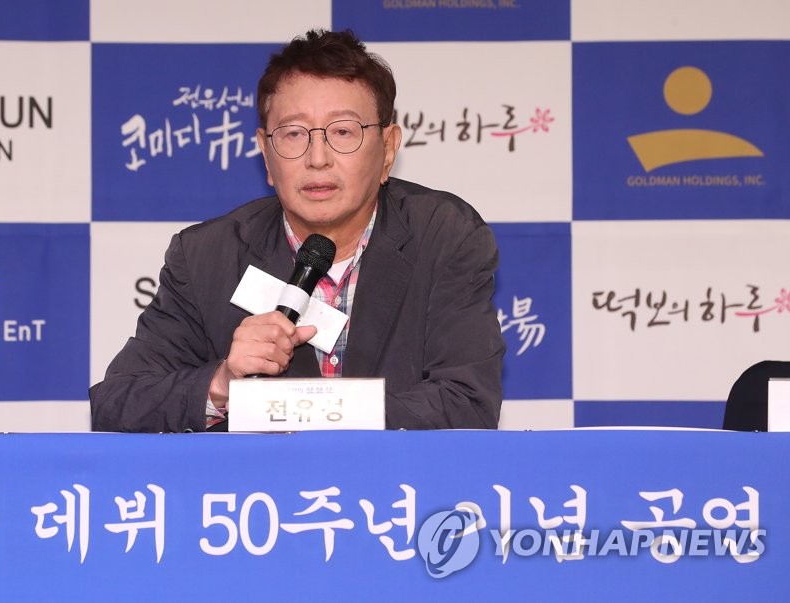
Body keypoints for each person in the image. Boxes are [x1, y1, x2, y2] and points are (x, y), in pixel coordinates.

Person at [90, 29, 504, 432]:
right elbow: (117, 401)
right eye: (293, 134)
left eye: (343, 131)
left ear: (388, 149)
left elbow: (467, 402)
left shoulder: (444, 237)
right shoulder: (206, 257)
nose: (317, 158)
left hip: (395, 479)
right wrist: (223, 383)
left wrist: (303, 411)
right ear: (266, 153)